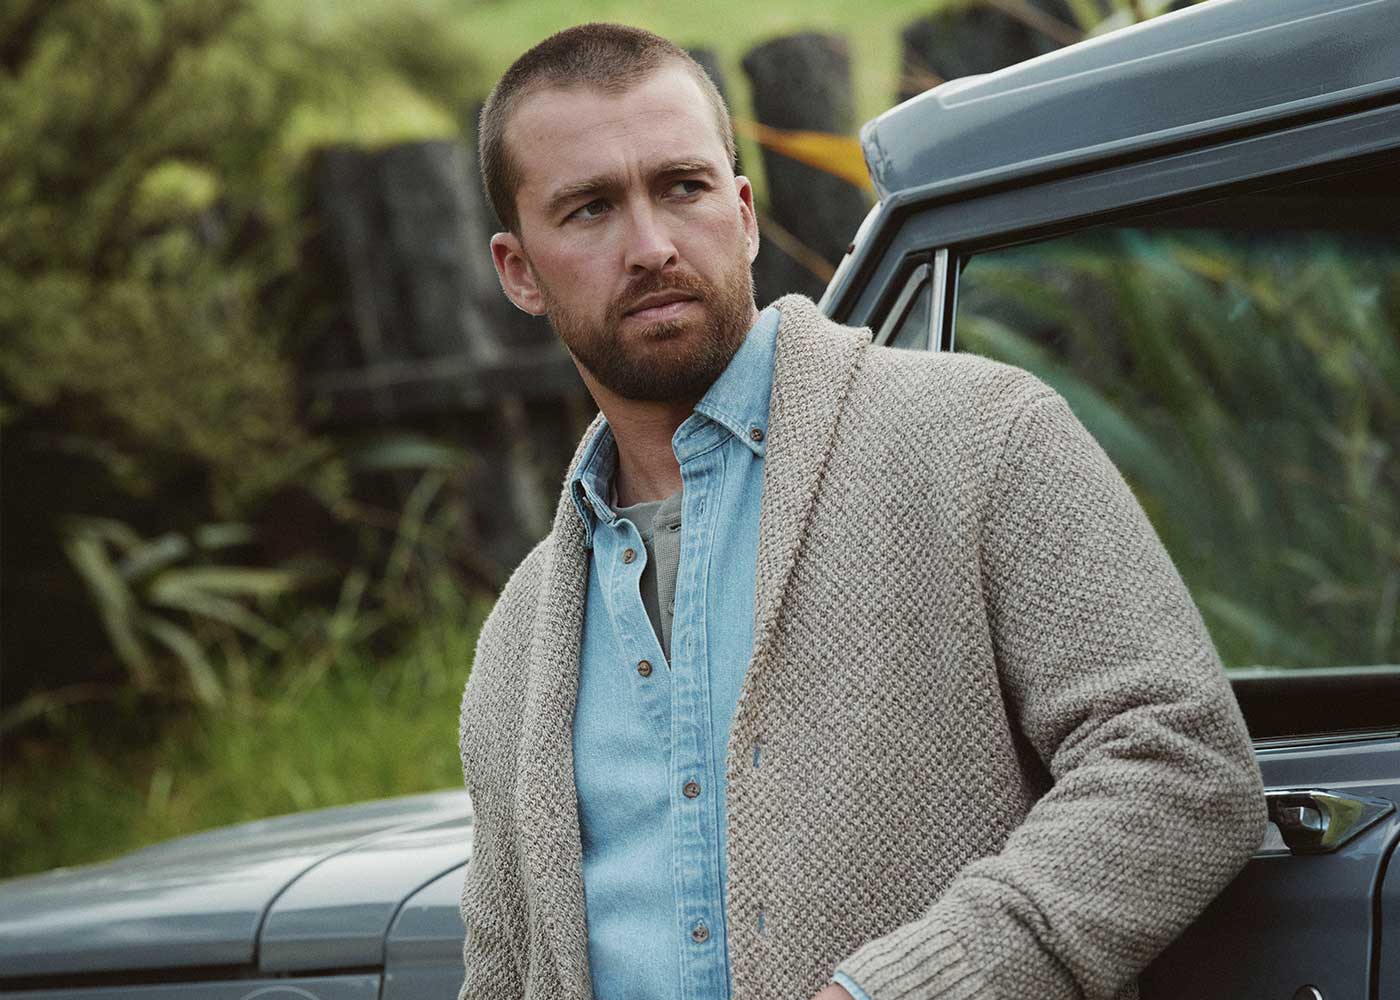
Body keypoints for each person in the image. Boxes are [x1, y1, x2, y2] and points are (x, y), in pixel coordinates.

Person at [457, 22, 1266, 1000]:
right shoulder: (520, 637)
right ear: (518, 270)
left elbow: (1181, 761)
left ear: (742, 213)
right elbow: (501, 970)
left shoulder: (977, 437)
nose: (652, 245)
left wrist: (900, 989)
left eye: (682, 187)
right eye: (589, 209)